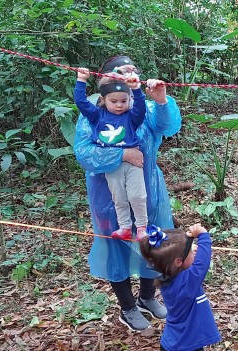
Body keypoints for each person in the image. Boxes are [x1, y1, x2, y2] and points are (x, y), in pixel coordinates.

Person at [74, 55, 182, 332]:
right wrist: (123, 154)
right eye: (123, 71)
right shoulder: (94, 115)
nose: (130, 74)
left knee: (153, 242)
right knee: (117, 247)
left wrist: (160, 100)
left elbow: (169, 127)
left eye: (134, 70)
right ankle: (128, 307)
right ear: (107, 82)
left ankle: (147, 298)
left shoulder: (142, 109)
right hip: (107, 193)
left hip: (149, 189)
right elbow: (84, 153)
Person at [74, 67, 149, 242]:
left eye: (123, 100)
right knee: (119, 197)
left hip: (133, 163)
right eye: (113, 101)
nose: (119, 105)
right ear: (103, 99)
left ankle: (141, 227)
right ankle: (124, 227)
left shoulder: (131, 117)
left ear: (129, 100)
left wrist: (137, 90)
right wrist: (81, 80)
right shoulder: (97, 115)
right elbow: (81, 103)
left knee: (137, 196)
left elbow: (140, 109)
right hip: (112, 163)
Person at [138, 224, 221, 351]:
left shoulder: (168, 277)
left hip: (174, 342)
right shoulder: (186, 283)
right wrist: (203, 236)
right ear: (177, 262)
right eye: (191, 252)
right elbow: (201, 265)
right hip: (185, 345)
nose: (195, 251)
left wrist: (187, 240)